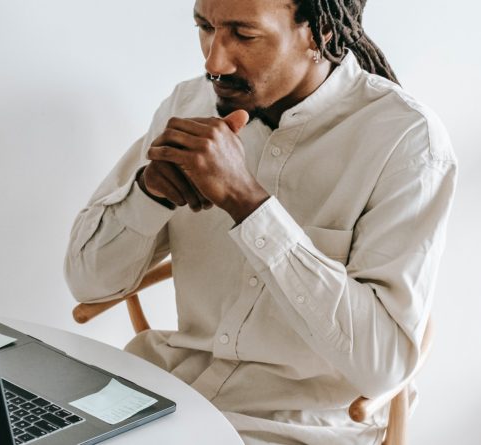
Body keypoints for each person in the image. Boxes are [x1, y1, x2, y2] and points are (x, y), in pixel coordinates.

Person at [64, 0, 457, 443]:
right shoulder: (188, 104)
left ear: (321, 33)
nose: (213, 60)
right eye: (204, 27)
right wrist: (149, 191)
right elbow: (87, 283)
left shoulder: (406, 140)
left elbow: (383, 365)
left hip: (295, 427)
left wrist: (248, 204)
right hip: (166, 394)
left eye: (244, 35)